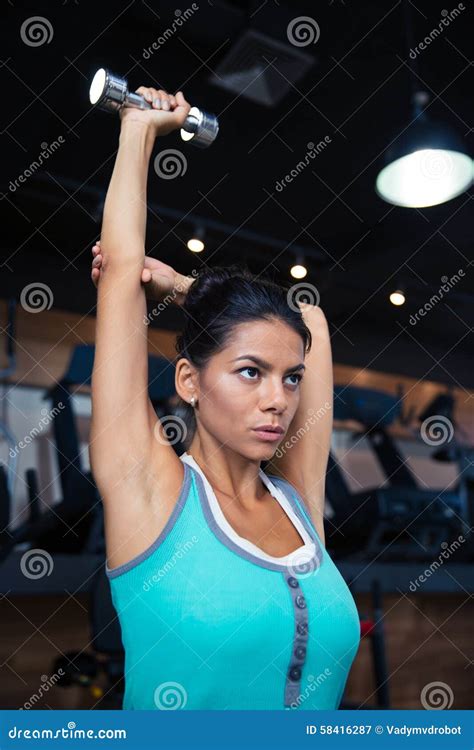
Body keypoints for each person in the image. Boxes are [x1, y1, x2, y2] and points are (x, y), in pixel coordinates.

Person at [89, 83, 361, 711]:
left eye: (289, 379)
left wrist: (195, 289)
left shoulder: (300, 504)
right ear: (189, 382)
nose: (279, 400)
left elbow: (311, 328)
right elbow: (123, 272)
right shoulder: (149, 490)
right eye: (248, 372)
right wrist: (138, 128)